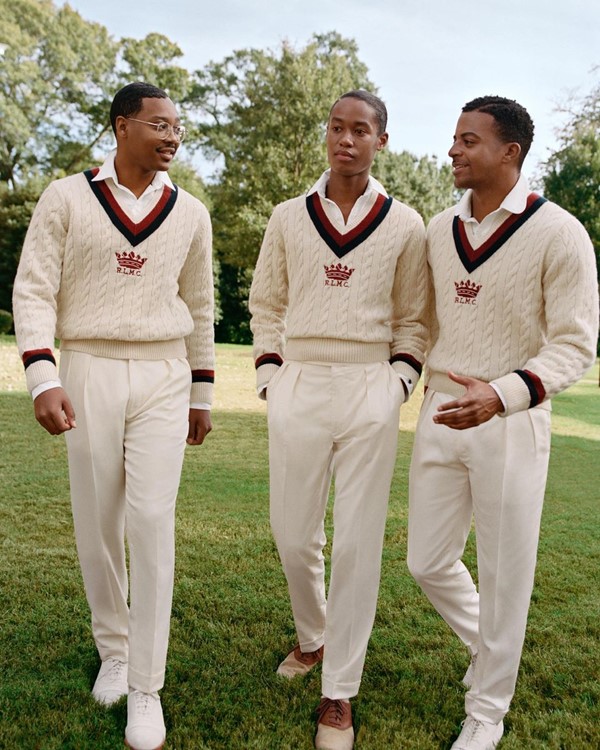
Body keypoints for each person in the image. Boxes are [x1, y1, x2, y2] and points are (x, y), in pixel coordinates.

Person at [12, 81, 215, 750]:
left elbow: (202, 307)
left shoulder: (191, 212)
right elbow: (34, 287)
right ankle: (116, 651)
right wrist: (43, 374)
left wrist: (203, 392)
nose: (172, 136)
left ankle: (147, 689)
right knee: (98, 519)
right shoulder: (68, 198)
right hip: (89, 366)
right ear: (121, 125)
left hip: (164, 372)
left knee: (152, 521)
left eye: (177, 127)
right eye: (159, 123)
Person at [407, 95, 599, 750]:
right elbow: (426, 319)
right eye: (454, 139)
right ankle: (491, 648)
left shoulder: (560, 233)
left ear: (509, 152)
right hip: (439, 411)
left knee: (505, 570)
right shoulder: (437, 228)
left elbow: (575, 345)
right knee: (427, 561)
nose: (453, 151)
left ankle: (486, 709)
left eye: (467, 141)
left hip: (512, 421)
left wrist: (503, 394)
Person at [249, 90, 428, 750]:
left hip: (368, 387)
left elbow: (414, 317)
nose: (344, 139)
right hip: (299, 378)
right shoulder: (288, 216)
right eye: (335, 127)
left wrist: (398, 381)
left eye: (360, 130)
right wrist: (270, 372)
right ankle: (313, 634)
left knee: (356, 542)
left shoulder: (406, 222)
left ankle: (339, 694)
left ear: (382, 140)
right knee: (293, 533)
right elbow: (266, 300)